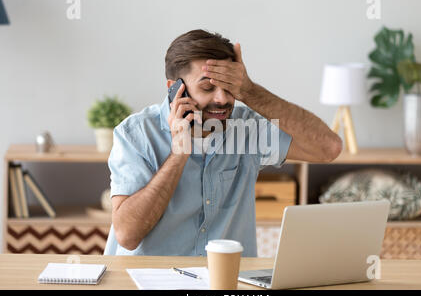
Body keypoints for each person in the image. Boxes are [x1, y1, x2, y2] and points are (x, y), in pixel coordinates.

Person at [104, 29, 342, 256]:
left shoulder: (246, 128)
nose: (222, 99)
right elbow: (128, 235)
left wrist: (249, 91)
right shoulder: (136, 134)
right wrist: (179, 154)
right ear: (174, 89)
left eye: (229, 87)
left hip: (224, 284)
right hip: (149, 280)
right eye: (207, 87)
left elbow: (328, 148)